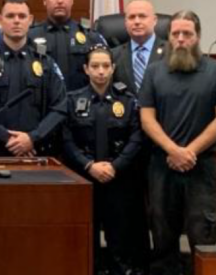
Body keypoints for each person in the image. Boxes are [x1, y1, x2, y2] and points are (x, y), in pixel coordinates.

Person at [139, 10, 216, 275]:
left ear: (198, 37)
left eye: (187, 34)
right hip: (161, 166)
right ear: (168, 37)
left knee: (203, 234)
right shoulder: (154, 72)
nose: (181, 39)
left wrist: (189, 151)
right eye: (175, 34)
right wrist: (173, 150)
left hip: (202, 167)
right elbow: (147, 119)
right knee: (161, 234)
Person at [62, 45, 149, 275]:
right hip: (84, 179)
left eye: (105, 66)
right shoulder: (72, 100)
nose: (101, 71)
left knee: (119, 236)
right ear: (86, 69)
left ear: (113, 69)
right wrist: (89, 165)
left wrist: (114, 166)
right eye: (95, 66)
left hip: (118, 179)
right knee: (85, 235)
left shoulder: (128, 101)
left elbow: (136, 138)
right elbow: (66, 140)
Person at [0, 0, 67, 156]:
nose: (16, 21)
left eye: (22, 16)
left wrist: (32, 138)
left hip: (37, 153)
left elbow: (60, 107)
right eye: (10, 16)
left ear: (30, 20)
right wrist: (6, 137)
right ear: (0, 20)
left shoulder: (47, 64)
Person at [28, 0, 106, 91]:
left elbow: (104, 75)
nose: (60, 0)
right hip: (44, 105)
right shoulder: (30, 37)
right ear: (44, 0)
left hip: (80, 104)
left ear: (72, 0)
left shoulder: (90, 37)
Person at [112, 0, 167, 94]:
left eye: (142, 16)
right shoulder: (113, 55)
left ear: (154, 20)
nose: (137, 21)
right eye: (131, 17)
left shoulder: (172, 52)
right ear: (125, 23)